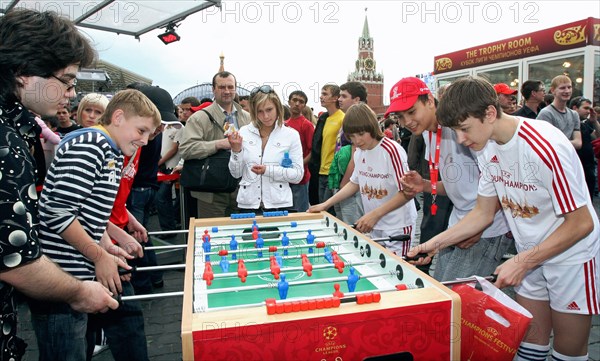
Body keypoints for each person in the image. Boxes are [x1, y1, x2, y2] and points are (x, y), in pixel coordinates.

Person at [407, 76, 599, 361]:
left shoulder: (544, 145)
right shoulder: (485, 147)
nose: (461, 139)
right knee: (530, 348)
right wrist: (433, 245)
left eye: (464, 129)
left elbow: (582, 222)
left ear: (490, 113)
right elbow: (483, 213)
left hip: (569, 257)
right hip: (529, 255)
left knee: (567, 354)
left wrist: (524, 260)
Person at [0, 8, 120, 360]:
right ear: (24, 73)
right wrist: (80, 292)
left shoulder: (19, 130)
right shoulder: (5, 143)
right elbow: (15, 260)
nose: (71, 93)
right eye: (66, 81)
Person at [31, 89, 161, 360]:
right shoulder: (93, 143)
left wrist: (111, 241)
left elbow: (88, 212)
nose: (145, 141)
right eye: (141, 130)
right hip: (62, 277)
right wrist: (98, 254)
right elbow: (57, 211)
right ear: (118, 117)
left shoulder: (109, 148)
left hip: (76, 273)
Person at [392, 77, 512, 281]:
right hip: (459, 223)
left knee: (458, 298)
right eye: (400, 117)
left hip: (485, 229)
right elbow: (456, 185)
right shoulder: (429, 133)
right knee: (444, 287)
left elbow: (502, 183)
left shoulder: (464, 128)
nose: (407, 122)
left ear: (429, 101)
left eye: (411, 112)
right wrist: (425, 185)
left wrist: (479, 227)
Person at [309, 103, 417, 256]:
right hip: (374, 225)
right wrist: (326, 204)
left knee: (397, 270)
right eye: (352, 136)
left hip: (397, 225)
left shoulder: (391, 150)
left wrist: (375, 215)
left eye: (360, 134)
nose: (357, 141)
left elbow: (408, 191)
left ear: (371, 126)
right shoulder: (360, 152)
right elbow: (354, 183)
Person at [179, 71, 251, 218]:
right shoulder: (199, 118)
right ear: (213, 89)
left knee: (240, 235)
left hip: (241, 190)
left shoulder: (248, 117)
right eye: (222, 87)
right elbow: (186, 149)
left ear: (235, 89)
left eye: (230, 87)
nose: (227, 91)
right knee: (212, 237)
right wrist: (219, 144)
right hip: (211, 191)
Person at [228, 86, 303, 213]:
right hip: (247, 205)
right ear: (253, 112)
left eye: (269, 109)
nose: (266, 116)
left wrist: (268, 170)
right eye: (260, 111)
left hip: (279, 204)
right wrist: (236, 152)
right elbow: (236, 174)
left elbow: (297, 175)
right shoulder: (244, 132)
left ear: (278, 108)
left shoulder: (291, 135)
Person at [328, 81, 366, 225]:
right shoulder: (348, 119)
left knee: (352, 227)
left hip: (351, 185)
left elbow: (356, 153)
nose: (339, 99)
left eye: (344, 96)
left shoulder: (359, 120)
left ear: (356, 100)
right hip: (344, 181)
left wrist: (345, 184)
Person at [308, 84, 344, 209]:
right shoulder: (325, 118)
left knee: (329, 212)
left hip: (333, 173)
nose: (321, 97)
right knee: (321, 210)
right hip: (321, 172)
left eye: (325, 94)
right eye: (321, 94)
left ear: (335, 98)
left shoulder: (342, 118)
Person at [285, 90, 314, 212]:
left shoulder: (307, 125)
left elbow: (313, 152)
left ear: (304, 106)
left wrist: (299, 165)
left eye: (301, 102)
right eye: (294, 100)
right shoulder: (284, 124)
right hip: (285, 177)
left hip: (300, 178)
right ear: (289, 102)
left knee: (300, 214)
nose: (297, 103)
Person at [536, 75, 582, 150]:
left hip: (570, 158)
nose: (567, 91)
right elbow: (545, 143)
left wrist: (559, 143)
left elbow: (578, 143)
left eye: (569, 87)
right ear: (553, 90)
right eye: (562, 88)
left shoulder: (574, 114)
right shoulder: (546, 113)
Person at [570, 96, 599, 199]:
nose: (588, 111)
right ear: (575, 108)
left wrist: (594, 121)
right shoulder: (570, 123)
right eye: (585, 108)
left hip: (589, 168)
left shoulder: (585, 124)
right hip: (575, 168)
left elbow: (597, 136)